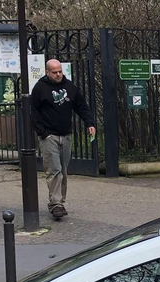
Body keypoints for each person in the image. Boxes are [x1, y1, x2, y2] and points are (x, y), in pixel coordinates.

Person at [30, 59, 96, 221]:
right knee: (54, 170)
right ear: (47, 72)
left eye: (60, 71)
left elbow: (81, 106)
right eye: (54, 72)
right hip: (49, 136)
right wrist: (43, 133)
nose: (58, 74)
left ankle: (60, 201)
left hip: (65, 135)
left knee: (63, 170)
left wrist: (89, 123)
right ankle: (55, 204)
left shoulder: (69, 87)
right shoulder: (40, 88)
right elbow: (34, 112)